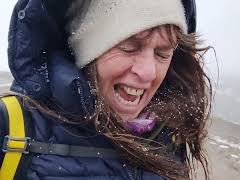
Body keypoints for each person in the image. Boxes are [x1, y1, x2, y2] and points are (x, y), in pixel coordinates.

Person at [0, 0, 212, 179]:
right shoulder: (10, 128)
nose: (148, 73)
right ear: (85, 50)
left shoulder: (170, 134)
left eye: (162, 54)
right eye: (129, 47)